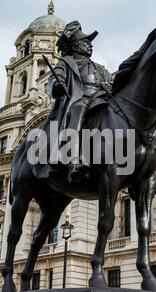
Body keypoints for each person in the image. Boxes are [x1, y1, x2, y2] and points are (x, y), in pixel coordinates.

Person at [48, 21, 113, 184]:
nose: (90, 46)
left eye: (90, 43)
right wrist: (58, 85)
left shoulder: (101, 68)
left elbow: (113, 83)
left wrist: (110, 87)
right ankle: (73, 159)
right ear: (76, 45)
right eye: (86, 42)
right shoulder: (66, 63)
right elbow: (54, 79)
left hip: (102, 99)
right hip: (79, 98)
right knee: (78, 109)